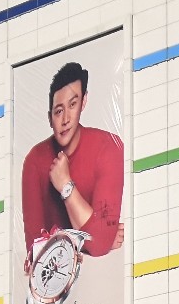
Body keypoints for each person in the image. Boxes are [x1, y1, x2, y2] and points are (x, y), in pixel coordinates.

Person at [20, 61, 126, 272]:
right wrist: (91, 239)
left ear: (84, 102)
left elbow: (99, 243)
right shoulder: (34, 161)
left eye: (72, 105)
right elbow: (36, 255)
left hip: (104, 278)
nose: (66, 119)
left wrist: (65, 186)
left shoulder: (109, 147)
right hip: (56, 286)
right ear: (49, 118)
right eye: (58, 111)